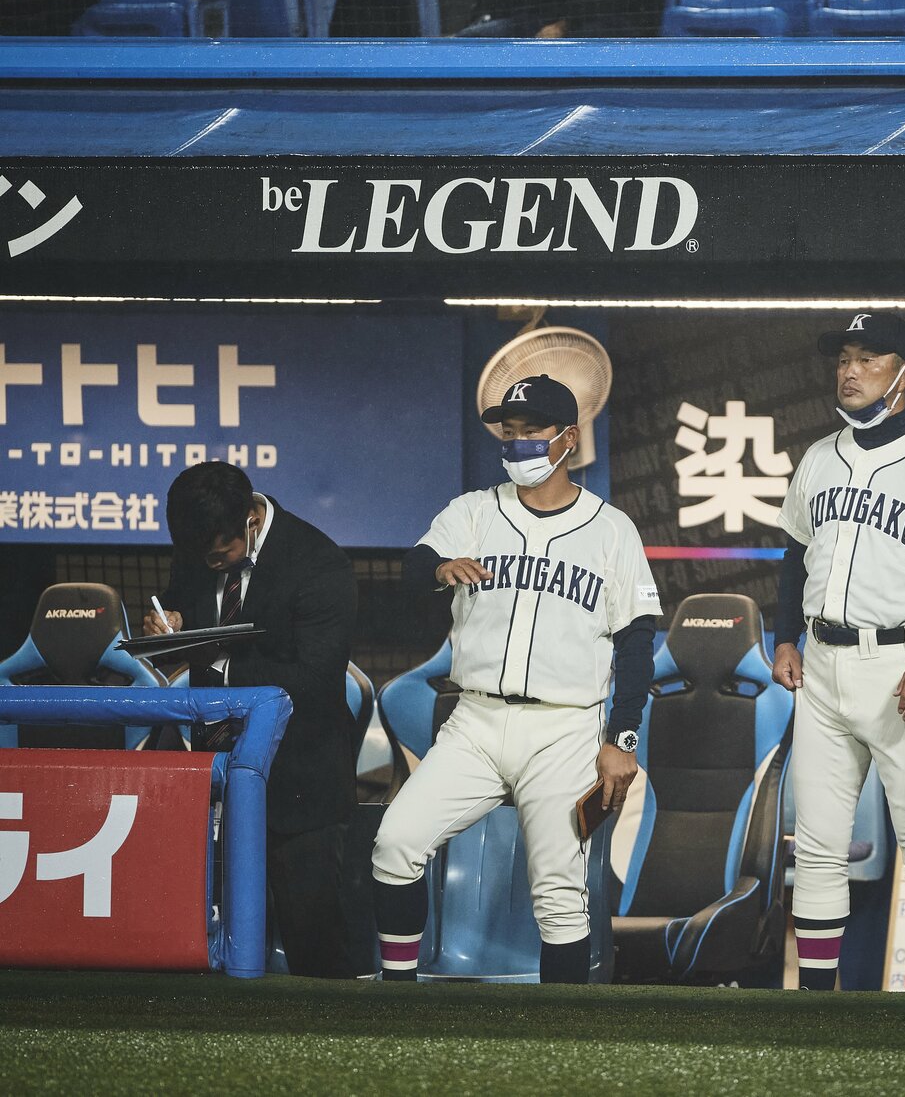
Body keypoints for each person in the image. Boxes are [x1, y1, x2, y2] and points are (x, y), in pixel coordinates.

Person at [370, 374, 660, 984]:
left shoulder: (612, 529)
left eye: (532, 430)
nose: (518, 442)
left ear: (568, 438)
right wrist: (439, 569)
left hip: (565, 728)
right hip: (476, 721)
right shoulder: (474, 511)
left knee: (558, 892)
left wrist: (622, 739)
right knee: (395, 843)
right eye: (510, 431)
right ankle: (396, 1000)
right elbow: (416, 564)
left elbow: (636, 645)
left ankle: (560, 1030)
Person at [771, 313, 905, 991]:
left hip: (902, 666)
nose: (851, 371)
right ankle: (816, 1006)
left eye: (869, 358)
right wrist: (784, 635)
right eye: (845, 357)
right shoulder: (819, 456)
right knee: (817, 844)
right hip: (822, 666)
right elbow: (794, 556)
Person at [145, 461, 360, 978]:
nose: (208, 562)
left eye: (218, 552)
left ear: (251, 518)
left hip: (300, 778)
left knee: (314, 947)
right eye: (197, 553)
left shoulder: (319, 563)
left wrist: (219, 662)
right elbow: (182, 604)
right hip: (213, 771)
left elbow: (315, 679)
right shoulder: (202, 542)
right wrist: (168, 621)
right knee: (214, 946)